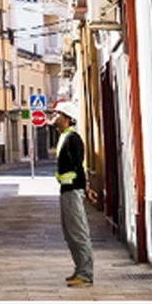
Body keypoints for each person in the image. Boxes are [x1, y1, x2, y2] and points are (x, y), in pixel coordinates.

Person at [52, 100, 94, 287]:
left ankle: (85, 274)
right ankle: (79, 269)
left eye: (57, 114)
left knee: (78, 232)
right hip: (67, 191)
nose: (54, 117)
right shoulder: (64, 137)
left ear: (67, 119)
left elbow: (79, 166)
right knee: (70, 233)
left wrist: (85, 188)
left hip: (72, 191)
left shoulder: (72, 139)